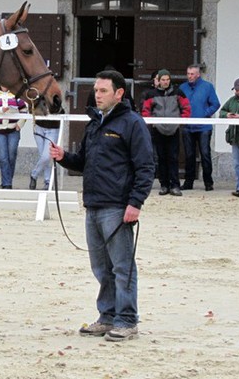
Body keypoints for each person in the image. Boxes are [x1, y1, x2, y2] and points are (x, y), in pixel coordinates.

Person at [49, 69, 154, 343]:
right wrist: (63, 157)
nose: (97, 95)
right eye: (96, 90)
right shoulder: (94, 124)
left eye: (103, 90)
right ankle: (107, 316)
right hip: (93, 205)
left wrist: (135, 203)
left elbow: (145, 167)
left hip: (117, 207)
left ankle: (127, 320)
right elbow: (83, 161)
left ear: (119, 93)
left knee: (122, 267)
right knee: (101, 268)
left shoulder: (132, 123)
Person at [140, 69, 191, 196]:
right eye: (163, 79)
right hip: (158, 130)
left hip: (173, 130)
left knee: (173, 158)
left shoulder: (178, 92)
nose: (165, 82)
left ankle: (175, 185)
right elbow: (145, 110)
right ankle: (164, 185)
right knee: (161, 158)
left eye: (167, 79)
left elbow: (186, 107)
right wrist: (153, 123)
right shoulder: (151, 94)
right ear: (158, 80)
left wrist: (181, 122)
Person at [179, 64, 220, 191]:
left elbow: (215, 104)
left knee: (205, 154)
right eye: (188, 74)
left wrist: (204, 114)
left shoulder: (207, 87)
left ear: (198, 74)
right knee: (189, 155)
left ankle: (208, 182)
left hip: (203, 127)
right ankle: (188, 181)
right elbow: (178, 104)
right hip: (187, 126)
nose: (190, 76)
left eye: (192, 74)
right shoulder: (182, 87)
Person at [0, 84, 27, 189]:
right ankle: (7, 183)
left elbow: (24, 110)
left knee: (12, 156)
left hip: (13, 129)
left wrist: (20, 124)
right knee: (3, 157)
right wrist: (0, 110)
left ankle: (7, 181)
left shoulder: (15, 94)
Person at [29, 104, 63, 190]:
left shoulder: (55, 97)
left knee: (46, 156)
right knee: (43, 155)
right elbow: (31, 109)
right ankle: (47, 182)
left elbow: (62, 111)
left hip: (53, 128)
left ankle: (34, 174)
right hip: (39, 127)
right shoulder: (39, 97)